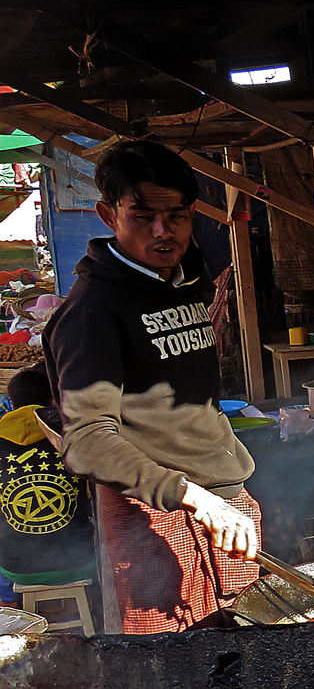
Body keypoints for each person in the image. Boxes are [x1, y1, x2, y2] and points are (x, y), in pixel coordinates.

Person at [43, 139, 260, 633]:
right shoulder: (92, 312)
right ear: (107, 214)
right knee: (176, 673)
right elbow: (88, 441)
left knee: (248, 656)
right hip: (153, 514)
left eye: (177, 216)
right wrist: (194, 497)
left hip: (225, 499)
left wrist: (222, 496)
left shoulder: (185, 275)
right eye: (142, 217)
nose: (164, 232)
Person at [0, 367, 94, 593]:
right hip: (80, 564)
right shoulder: (71, 436)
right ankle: (97, 605)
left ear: (11, 403)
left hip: (15, 568)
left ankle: (8, 601)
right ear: (52, 398)